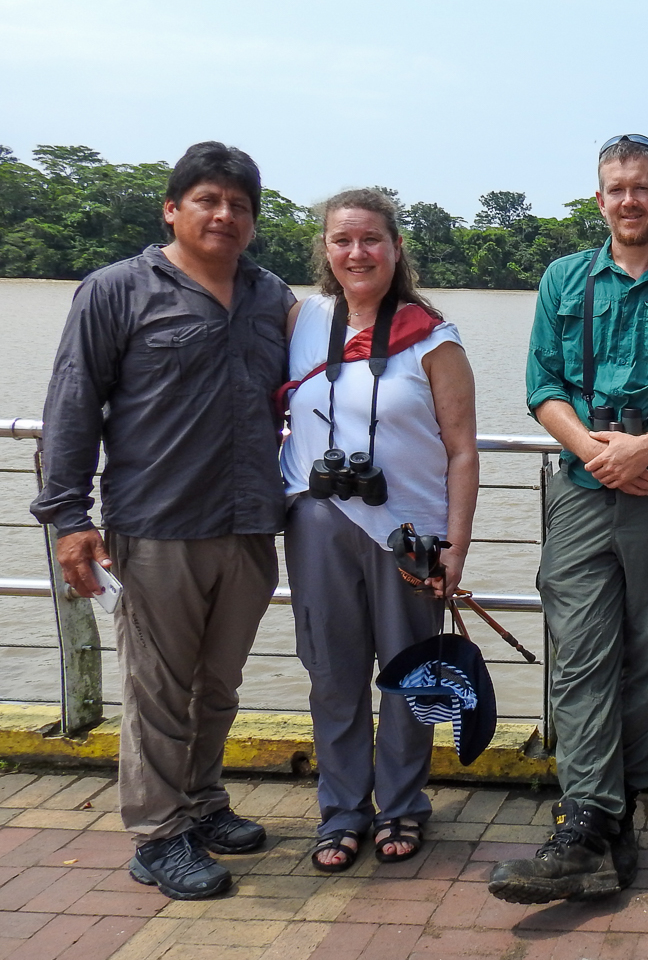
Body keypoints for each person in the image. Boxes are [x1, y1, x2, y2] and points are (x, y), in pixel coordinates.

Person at [31, 142, 294, 899]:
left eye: (239, 205)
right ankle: (157, 833)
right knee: (157, 687)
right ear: (172, 209)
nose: (224, 215)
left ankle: (203, 803)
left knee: (218, 684)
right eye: (207, 201)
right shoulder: (116, 291)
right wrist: (70, 519)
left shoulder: (272, 296)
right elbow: (71, 406)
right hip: (155, 525)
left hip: (248, 525)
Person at [490, 134, 648, 904]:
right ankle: (595, 818)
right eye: (615, 188)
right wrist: (600, 456)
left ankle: (607, 815)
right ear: (598, 199)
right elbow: (542, 385)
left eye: (642, 187)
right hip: (582, 483)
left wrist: (645, 452)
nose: (629, 200)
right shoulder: (565, 279)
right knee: (581, 651)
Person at [279, 189, 478, 873]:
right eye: (342, 241)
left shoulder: (434, 335)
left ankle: (400, 805)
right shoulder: (302, 321)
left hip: (405, 532)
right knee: (331, 672)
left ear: (396, 249)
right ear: (326, 251)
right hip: (315, 521)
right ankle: (340, 810)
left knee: (406, 671)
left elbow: (461, 450)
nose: (357, 253)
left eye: (371, 240)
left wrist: (455, 543)